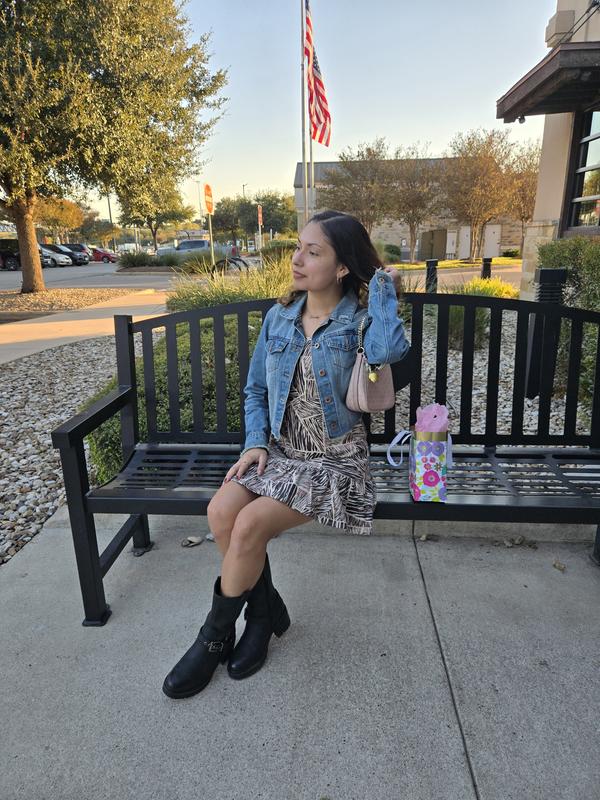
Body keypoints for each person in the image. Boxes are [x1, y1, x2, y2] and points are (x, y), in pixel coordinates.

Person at [162, 209, 410, 699]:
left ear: (342, 267)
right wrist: (255, 443)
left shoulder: (360, 322)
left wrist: (384, 291)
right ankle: (263, 612)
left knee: (249, 525)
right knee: (221, 513)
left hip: (334, 459)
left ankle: (213, 638)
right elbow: (255, 390)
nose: (297, 259)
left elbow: (388, 351)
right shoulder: (279, 317)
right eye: (298, 247)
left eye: (313, 252)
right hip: (279, 451)